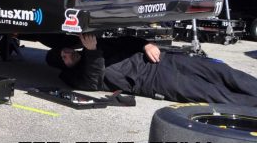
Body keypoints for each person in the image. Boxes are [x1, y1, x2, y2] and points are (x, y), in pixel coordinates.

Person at [45, 34, 257, 106]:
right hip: (151, 82)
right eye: (63, 59)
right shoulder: (73, 76)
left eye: (65, 52)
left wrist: (145, 44)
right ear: (63, 66)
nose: (67, 55)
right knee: (212, 93)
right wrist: (92, 52)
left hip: (161, 61)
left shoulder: (91, 43)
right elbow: (91, 83)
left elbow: (124, 41)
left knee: (224, 72)